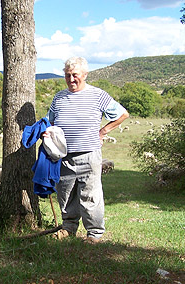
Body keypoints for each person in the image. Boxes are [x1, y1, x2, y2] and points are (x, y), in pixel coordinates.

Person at [44, 57, 129, 243]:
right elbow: (49, 121)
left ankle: (94, 233)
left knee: (90, 195)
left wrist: (103, 131)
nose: (71, 79)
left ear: (85, 75)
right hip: (63, 156)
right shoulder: (59, 97)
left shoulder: (98, 95)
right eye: (67, 76)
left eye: (75, 75)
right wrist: (46, 133)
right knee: (65, 194)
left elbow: (123, 114)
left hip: (89, 155)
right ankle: (68, 228)